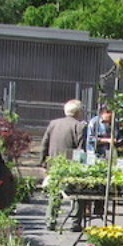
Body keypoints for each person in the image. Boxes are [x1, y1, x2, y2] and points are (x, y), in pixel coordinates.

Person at [40, 99, 87, 230]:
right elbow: (80, 148)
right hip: (71, 165)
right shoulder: (80, 126)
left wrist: (43, 162)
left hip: (54, 164)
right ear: (78, 112)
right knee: (78, 194)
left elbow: (45, 143)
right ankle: (75, 223)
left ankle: (51, 220)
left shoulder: (53, 123)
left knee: (55, 193)